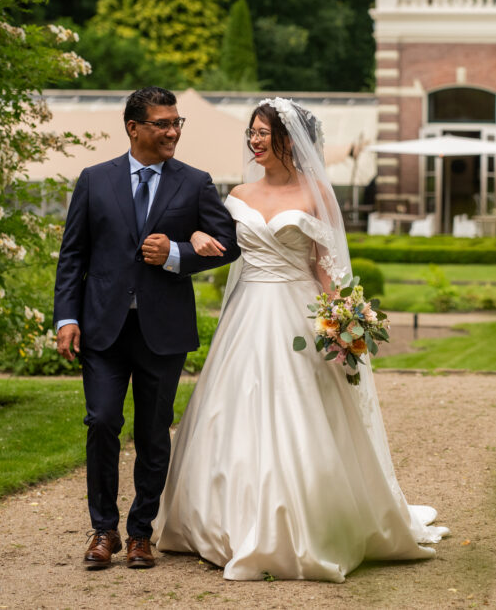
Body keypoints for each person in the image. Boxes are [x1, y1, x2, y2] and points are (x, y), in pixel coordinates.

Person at [152, 98, 448, 581]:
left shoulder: (317, 195)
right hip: (246, 315)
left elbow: (327, 269)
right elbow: (221, 247)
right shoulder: (238, 194)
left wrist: (342, 326)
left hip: (299, 313)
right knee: (232, 409)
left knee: (303, 411)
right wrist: (198, 244)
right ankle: (221, 521)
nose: (255, 140)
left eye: (264, 132)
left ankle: (312, 522)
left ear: (291, 140)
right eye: (252, 132)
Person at [53, 86, 240, 570]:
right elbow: (74, 255)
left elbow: (229, 243)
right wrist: (67, 317)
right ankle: (103, 530)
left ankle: (140, 533)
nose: (173, 131)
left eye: (177, 123)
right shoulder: (94, 180)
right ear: (134, 127)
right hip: (103, 328)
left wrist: (177, 254)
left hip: (163, 330)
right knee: (101, 422)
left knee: (153, 432)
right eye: (162, 123)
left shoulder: (195, 182)